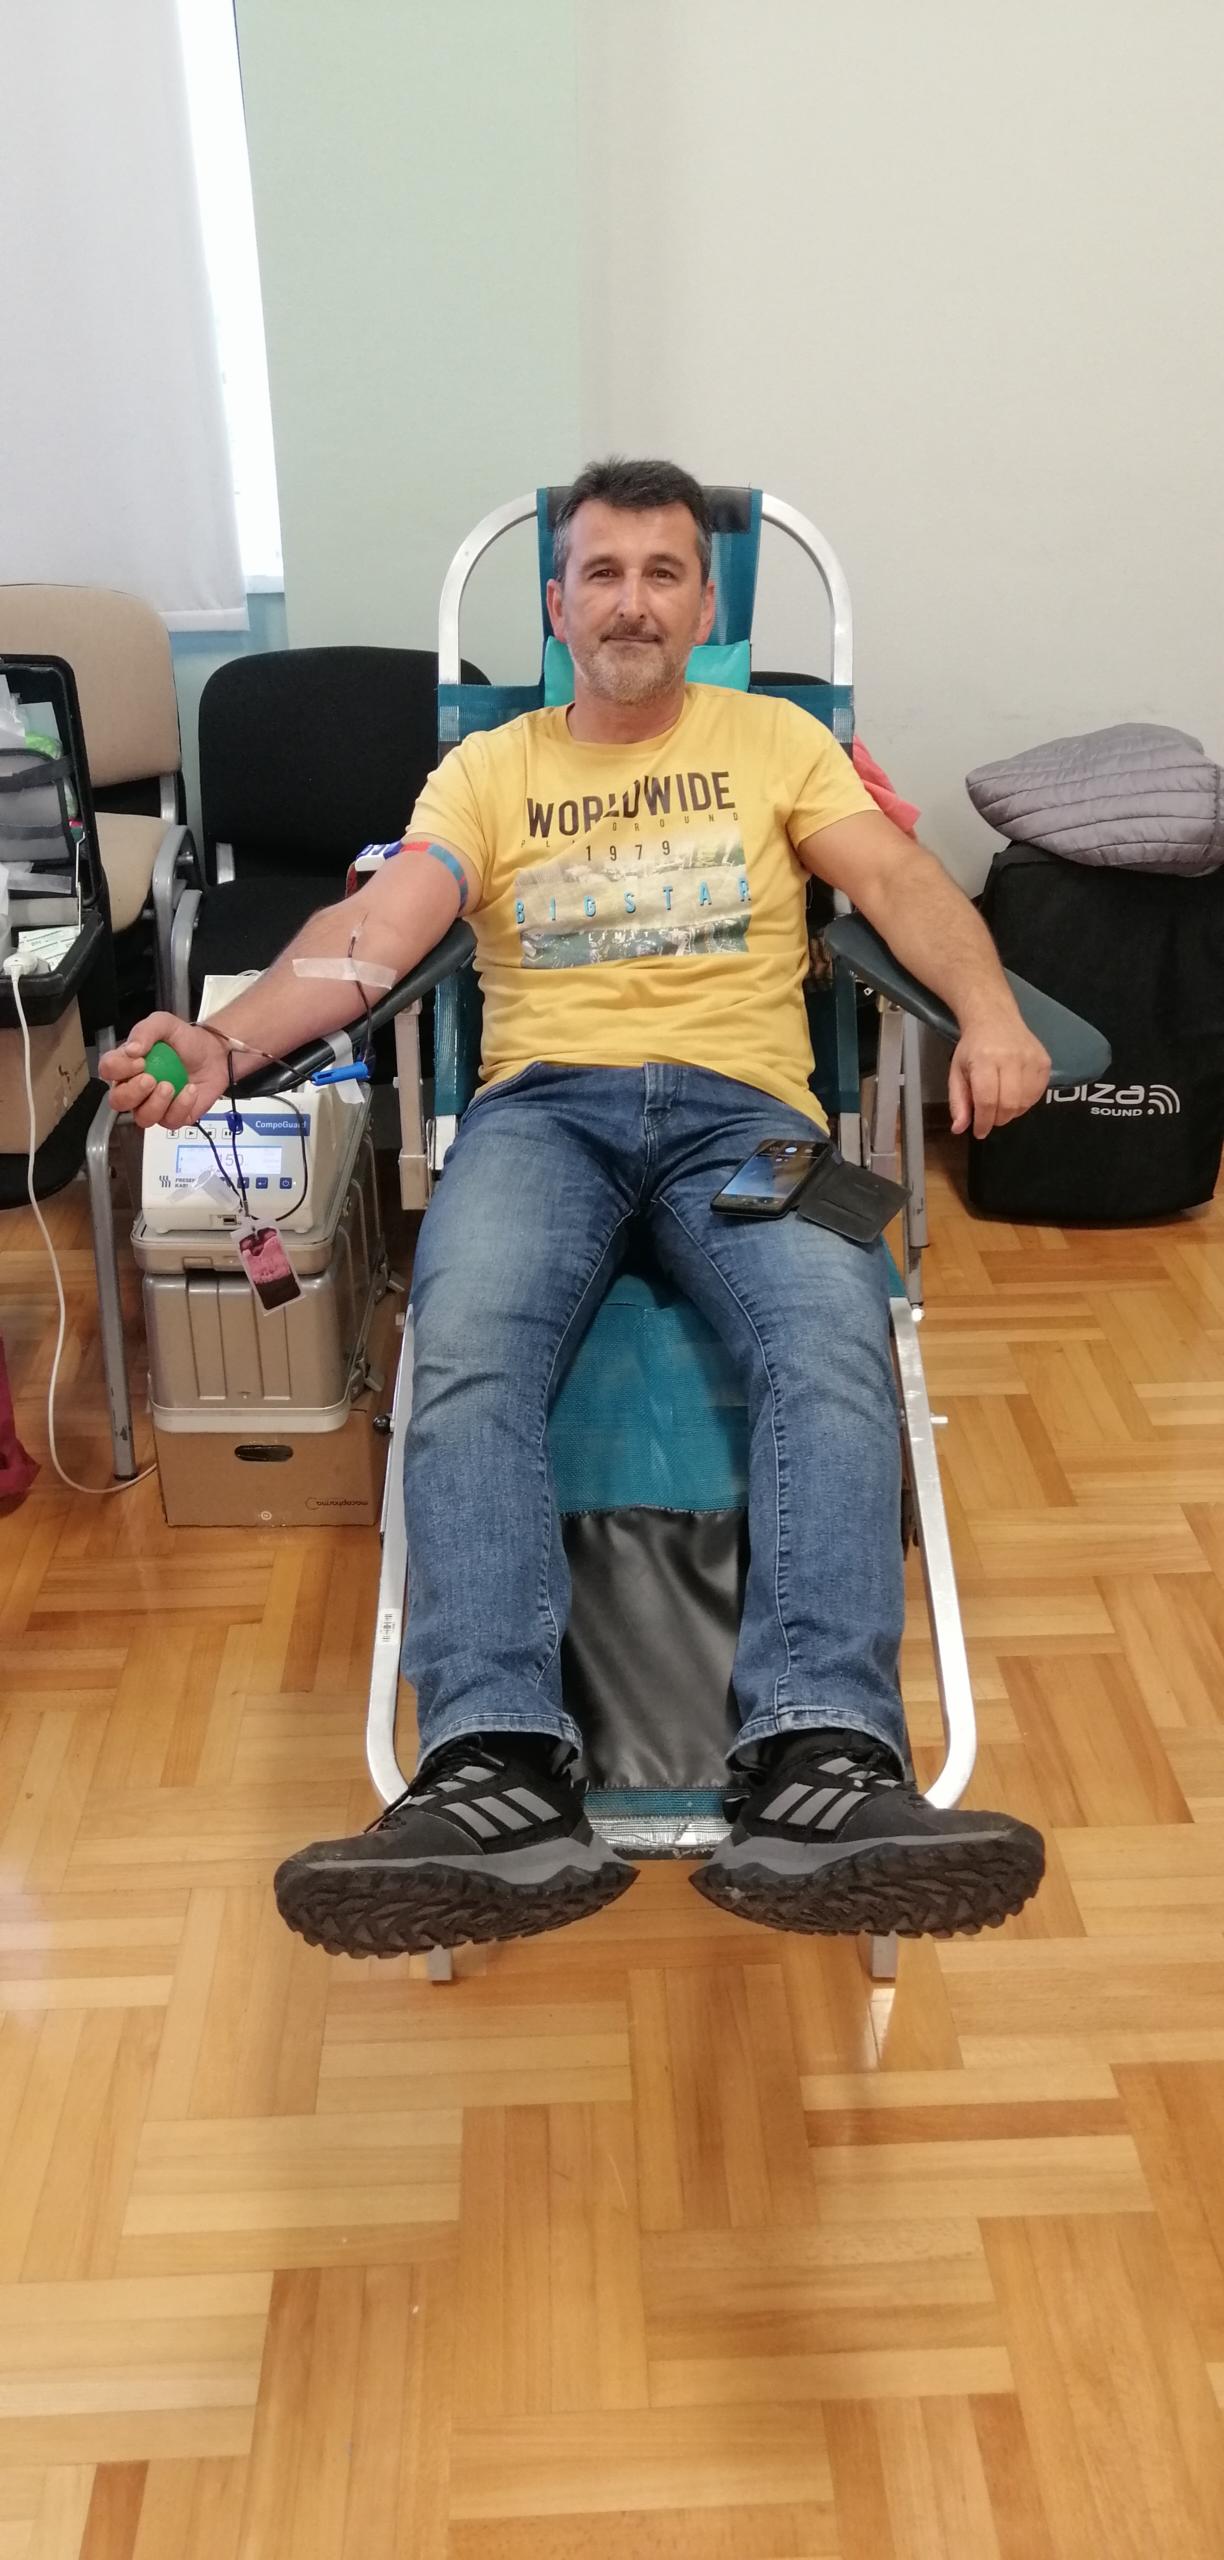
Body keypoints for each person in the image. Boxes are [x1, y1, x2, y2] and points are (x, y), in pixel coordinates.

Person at [102, 457, 1050, 1960]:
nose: (631, 601)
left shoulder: (781, 741)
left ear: (704, 606)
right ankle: (495, 1769)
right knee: (467, 1349)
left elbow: (898, 879)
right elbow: (374, 931)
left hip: (755, 1121)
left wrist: (989, 1013)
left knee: (832, 1334)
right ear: (557, 606)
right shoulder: (489, 771)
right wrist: (225, 1041)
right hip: (542, 1120)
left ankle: (822, 1763)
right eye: (602, 573)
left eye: (664, 573)